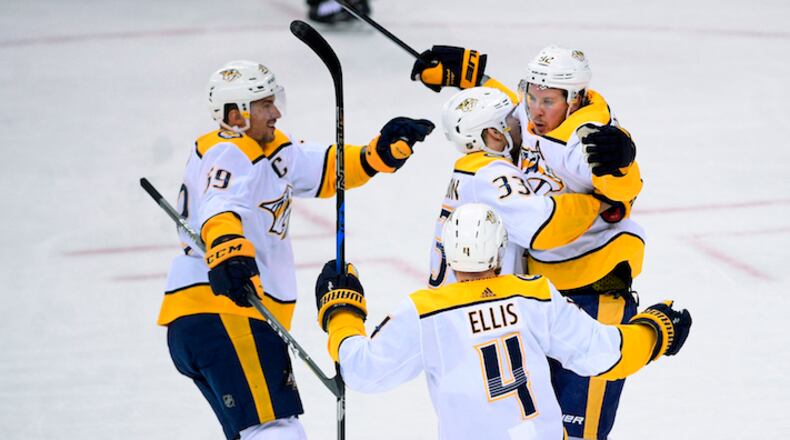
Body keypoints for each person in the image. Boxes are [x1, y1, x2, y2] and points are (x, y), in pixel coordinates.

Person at [158, 60, 434, 440]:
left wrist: (377, 154)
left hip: (214, 317)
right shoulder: (229, 150)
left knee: (257, 432)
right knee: (275, 429)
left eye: (275, 101)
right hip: (226, 312)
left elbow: (326, 169)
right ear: (235, 114)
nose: (275, 112)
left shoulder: (268, 149)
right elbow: (220, 205)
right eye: (264, 104)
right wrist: (227, 251)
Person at [412, 45, 648, 439]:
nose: (534, 111)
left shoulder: (583, 140)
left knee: (575, 433)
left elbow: (626, 191)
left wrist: (622, 166)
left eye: (548, 101)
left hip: (592, 293)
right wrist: (474, 79)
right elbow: (508, 114)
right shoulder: (526, 127)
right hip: (538, 302)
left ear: (574, 101)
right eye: (531, 97)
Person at [313, 203, 692, 440]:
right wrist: (657, 330)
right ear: (499, 250)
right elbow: (605, 355)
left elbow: (361, 370)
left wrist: (342, 311)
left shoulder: (425, 311)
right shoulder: (534, 294)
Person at [429, 86, 614, 288]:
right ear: (495, 132)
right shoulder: (492, 174)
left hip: (456, 304)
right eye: (513, 119)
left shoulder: (471, 171)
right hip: (476, 307)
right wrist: (599, 202)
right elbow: (540, 224)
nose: (523, 122)